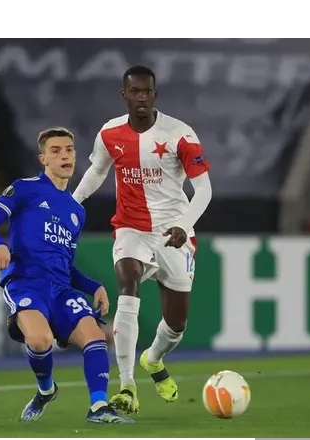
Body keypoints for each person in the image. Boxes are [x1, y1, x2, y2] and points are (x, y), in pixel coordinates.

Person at [72, 66, 213, 416]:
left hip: (173, 233)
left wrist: (184, 225)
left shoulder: (179, 134)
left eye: (147, 91)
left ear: (155, 94)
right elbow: (97, 170)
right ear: (124, 95)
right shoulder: (110, 133)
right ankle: (127, 386)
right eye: (134, 91)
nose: (141, 98)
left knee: (176, 325)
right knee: (127, 284)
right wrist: (72, 203)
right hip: (130, 228)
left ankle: (153, 358)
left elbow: (204, 190)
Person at [0, 126, 134, 424]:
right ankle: (46, 389)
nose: (65, 156)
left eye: (69, 150)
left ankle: (99, 407)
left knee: (95, 336)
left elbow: (66, 265)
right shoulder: (24, 189)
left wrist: (94, 286)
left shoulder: (76, 211)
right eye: (56, 151)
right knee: (39, 341)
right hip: (26, 283)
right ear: (43, 159)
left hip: (61, 289)